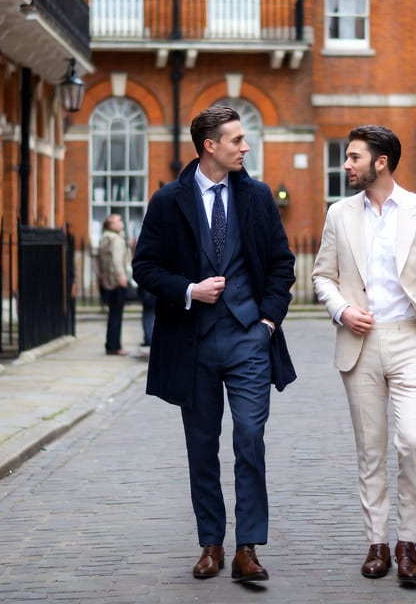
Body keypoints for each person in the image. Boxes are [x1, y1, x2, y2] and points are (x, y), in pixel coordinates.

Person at [133, 104, 296, 583]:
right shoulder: (168, 201)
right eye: (237, 140)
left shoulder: (259, 197)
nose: (245, 147)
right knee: (202, 445)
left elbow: (283, 264)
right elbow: (145, 268)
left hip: (249, 337)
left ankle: (248, 547)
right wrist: (189, 290)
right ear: (210, 146)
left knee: (249, 436)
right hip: (194, 343)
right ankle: (211, 543)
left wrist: (267, 321)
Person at [312, 124, 416, 585]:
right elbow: (322, 277)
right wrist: (341, 311)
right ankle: (377, 542)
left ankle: (408, 541)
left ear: (381, 162)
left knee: (413, 441)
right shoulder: (339, 214)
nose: (346, 164)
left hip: (411, 339)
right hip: (360, 344)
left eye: (353, 157)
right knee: (370, 450)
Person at [96, 213, 131, 355]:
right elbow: (117, 261)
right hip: (117, 282)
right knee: (117, 315)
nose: (121, 222)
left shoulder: (104, 238)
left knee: (113, 315)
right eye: (117, 221)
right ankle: (115, 347)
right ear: (110, 225)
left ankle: (111, 345)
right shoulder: (116, 239)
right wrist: (122, 277)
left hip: (108, 282)